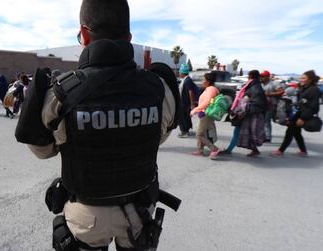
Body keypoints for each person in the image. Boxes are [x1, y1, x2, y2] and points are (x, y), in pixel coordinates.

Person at [21, 0, 180, 249]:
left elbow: (43, 151)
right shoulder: (159, 88)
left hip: (87, 213)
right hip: (139, 211)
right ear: (128, 37)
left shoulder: (59, 92)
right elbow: (158, 137)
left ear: (84, 33)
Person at [272, 70, 320, 157]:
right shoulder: (304, 88)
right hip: (297, 114)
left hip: (302, 116)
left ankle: (281, 150)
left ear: (310, 79)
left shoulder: (314, 90)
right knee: (296, 133)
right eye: (301, 78)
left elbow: (314, 106)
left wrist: (303, 118)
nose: (301, 79)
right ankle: (303, 151)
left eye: (303, 78)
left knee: (290, 132)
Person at [236, 70, 267, 157]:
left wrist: (245, 109)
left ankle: (255, 150)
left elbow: (256, 102)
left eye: (248, 77)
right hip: (252, 112)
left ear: (251, 77)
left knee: (252, 133)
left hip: (253, 114)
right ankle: (255, 150)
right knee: (250, 133)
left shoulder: (254, 87)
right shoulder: (256, 86)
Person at [190, 72, 220, 159]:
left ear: (208, 81)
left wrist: (194, 110)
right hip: (204, 114)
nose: (202, 81)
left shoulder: (211, 89)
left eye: (203, 79)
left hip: (207, 114)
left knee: (199, 134)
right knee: (202, 132)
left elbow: (207, 102)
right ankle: (200, 150)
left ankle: (214, 149)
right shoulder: (209, 88)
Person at [260, 70, 284, 142]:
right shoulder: (261, 84)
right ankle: (263, 136)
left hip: (271, 105)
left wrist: (270, 94)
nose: (261, 78)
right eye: (261, 76)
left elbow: (281, 91)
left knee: (266, 121)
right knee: (261, 121)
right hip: (261, 105)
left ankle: (267, 137)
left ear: (267, 77)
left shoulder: (274, 83)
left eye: (263, 76)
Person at [178, 63, 198, 138]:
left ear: (182, 72)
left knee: (183, 117)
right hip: (184, 103)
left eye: (180, 72)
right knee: (185, 117)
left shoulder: (187, 80)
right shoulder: (185, 79)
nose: (179, 73)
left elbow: (190, 92)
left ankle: (184, 132)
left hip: (185, 103)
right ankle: (186, 131)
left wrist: (192, 104)